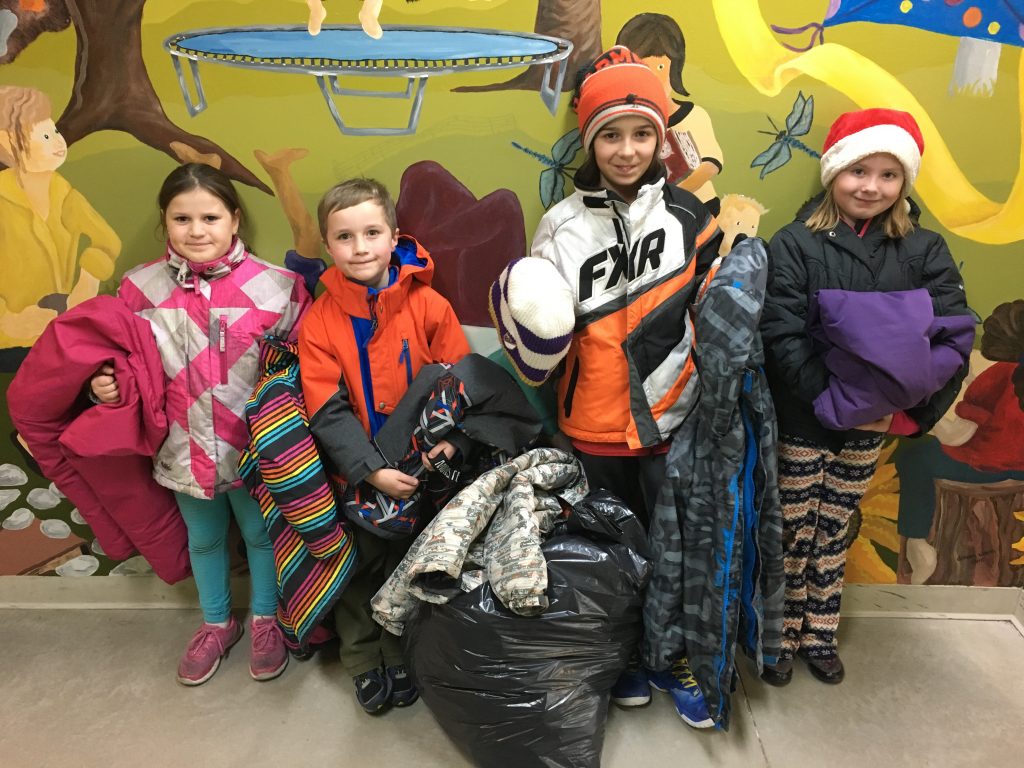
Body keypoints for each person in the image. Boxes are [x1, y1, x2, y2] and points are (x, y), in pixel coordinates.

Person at [530, 45, 722, 728]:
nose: (626, 148)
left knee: (675, 553)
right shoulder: (558, 225)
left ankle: (672, 657)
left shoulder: (693, 217)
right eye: (610, 134)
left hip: (672, 422)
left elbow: (713, 318)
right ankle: (624, 660)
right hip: (591, 424)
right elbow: (538, 337)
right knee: (607, 557)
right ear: (590, 141)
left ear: (661, 137)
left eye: (642, 132)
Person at [760, 109, 971, 686]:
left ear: (904, 183)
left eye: (888, 174)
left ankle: (819, 633)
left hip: (876, 426)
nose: (871, 186)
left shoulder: (924, 249)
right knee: (792, 526)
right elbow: (781, 332)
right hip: (808, 418)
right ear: (833, 172)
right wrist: (830, 401)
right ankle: (777, 635)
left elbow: (953, 333)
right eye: (859, 170)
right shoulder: (795, 243)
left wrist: (909, 416)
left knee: (837, 524)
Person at [90, 163, 310, 686]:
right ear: (164, 223)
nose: (196, 230)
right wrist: (105, 384)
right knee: (204, 538)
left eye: (210, 216)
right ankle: (216, 622)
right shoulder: (138, 289)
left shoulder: (278, 286)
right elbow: (118, 359)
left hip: (253, 447)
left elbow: (300, 366)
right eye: (181, 218)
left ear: (234, 219)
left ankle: (264, 619)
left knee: (259, 535)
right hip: (182, 443)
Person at [298, 177, 469, 714]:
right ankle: (362, 659)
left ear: (394, 236)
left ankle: (399, 652)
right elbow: (326, 407)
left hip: (422, 471)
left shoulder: (429, 305)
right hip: (358, 478)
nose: (360, 248)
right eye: (345, 237)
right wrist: (368, 469)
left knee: (410, 565)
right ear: (328, 246)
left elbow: (463, 381)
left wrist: (454, 443)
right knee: (359, 568)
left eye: (372, 233)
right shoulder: (320, 320)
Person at [0, 85, 120, 369]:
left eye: (55, 131)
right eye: (44, 135)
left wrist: (85, 287)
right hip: (9, 338)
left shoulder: (62, 193)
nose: (57, 142)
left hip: (58, 333)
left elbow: (106, 241)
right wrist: (9, 319)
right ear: (7, 141)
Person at [616, 13, 725, 215]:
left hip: (701, 209)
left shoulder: (695, 116)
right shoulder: (632, 126)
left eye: (660, 66)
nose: (654, 77)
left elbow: (710, 166)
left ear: (674, 67)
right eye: (643, 67)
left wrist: (669, 197)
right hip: (656, 218)